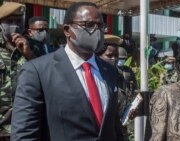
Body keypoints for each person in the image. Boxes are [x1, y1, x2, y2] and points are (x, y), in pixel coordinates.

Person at [11, 2, 123, 141]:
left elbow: (114, 126)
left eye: (100, 26)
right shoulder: (37, 71)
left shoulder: (110, 71)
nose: (96, 31)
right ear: (67, 30)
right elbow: (24, 134)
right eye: (87, 25)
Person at [0, 2, 36, 140]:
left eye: (18, 21)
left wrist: (29, 55)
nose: (15, 25)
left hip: (26, 125)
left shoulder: (35, 47)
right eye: (9, 21)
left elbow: (48, 77)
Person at [97, 34, 137, 141]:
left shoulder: (117, 75)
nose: (114, 59)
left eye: (116, 56)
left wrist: (130, 111)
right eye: (109, 56)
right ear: (97, 56)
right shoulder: (94, 77)